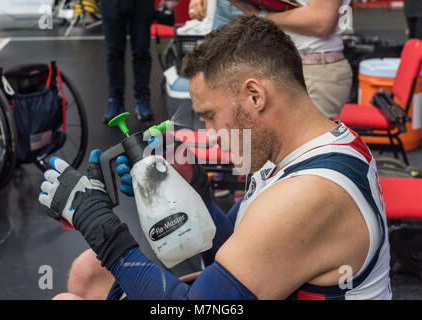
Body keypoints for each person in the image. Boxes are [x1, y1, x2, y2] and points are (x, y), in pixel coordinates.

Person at [39, 16, 391, 300]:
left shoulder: (308, 194)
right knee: (89, 271)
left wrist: (99, 225)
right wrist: (197, 194)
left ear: (254, 96)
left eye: (208, 115)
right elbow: (237, 249)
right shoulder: (305, 147)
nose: (207, 132)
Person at [188, 0, 353, 120]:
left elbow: (321, 22)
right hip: (276, 66)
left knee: (295, 157)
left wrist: (260, 15)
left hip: (313, 70)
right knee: (260, 156)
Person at [100, 0, 154, 123]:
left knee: (141, 51)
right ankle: (115, 100)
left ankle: (143, 99)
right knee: (114, 52)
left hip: (141, 4)